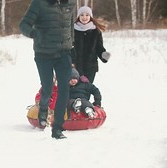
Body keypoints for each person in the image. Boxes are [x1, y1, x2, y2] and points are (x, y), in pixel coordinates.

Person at [19, 0, 77, 139]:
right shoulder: (39, 3)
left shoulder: (70, 3)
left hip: (64, 53)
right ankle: (43, 109)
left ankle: (57, 128)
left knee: (64, 88)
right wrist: (34, 34)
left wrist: (72, 46)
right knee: (48, 88)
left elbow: (70, 26)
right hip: (44, 53)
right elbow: (23, 25)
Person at [72, 6, 111, 84]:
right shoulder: (72, 30)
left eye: (87, 15)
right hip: (75, 67)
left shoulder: (96, 31)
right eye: (82, 15)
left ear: (90, 16)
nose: (84, 17)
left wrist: (104, 55)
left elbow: (99, 47)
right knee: (75, 92)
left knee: (86, 91)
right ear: (78, 16)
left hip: (90, 67)